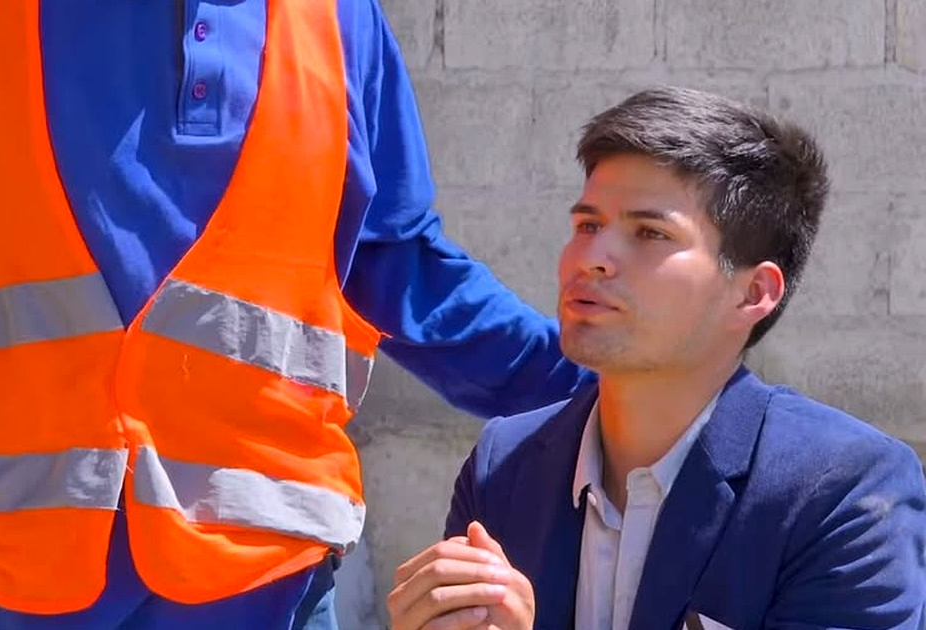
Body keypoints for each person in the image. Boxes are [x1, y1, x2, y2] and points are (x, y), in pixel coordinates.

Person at [0, 1, 593, 629]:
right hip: (10, 593)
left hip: (272, 590)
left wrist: (605, 384)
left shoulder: (339, 18)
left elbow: (408, 275)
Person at [387, 86, 926, 630]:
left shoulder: (844, 491)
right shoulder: (505, 466)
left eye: (650, 233)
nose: (593, 258)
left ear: (753, 293)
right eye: (588, 225)